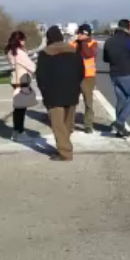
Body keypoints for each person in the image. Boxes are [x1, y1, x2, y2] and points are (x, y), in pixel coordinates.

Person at [36, 26, 85, 161]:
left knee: (58, 125)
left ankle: (65, 153)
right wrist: (76, 86)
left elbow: (40, 75)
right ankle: (65, 145)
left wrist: (44, 91)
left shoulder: (45, 54)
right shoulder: (74, 51)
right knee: (67, 124)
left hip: (53, 93)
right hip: (72, 92)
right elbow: (81, 72)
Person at [5, 31, 36, 141]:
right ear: (19, 40)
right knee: (21, 109)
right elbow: (31, 66)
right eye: (23, 40)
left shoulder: (10, 51)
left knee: (18, 108)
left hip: (15, 80)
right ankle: (20, 132)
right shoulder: (19, 53)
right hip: (21, 81)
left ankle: (16, 132)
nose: (24, 42)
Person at [70, 24, 99, 133]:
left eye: (81, 33)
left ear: (86, 34)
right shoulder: (73, 44)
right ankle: (70, 124)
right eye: (78, 33)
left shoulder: (93, 43)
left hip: (88, 77)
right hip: (74, 77)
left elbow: (88, 54)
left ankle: (88, 125)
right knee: (72, 102)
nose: (79, 35)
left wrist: (82, 43)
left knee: (88, 102)